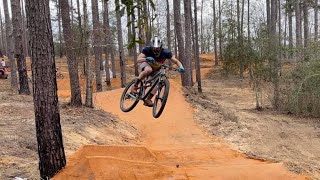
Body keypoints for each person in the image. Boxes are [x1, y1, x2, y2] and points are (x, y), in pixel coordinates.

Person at [132, 36, 185, 107]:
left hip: (156, 69)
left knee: (159, 82)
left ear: (161, 46)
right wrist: (146, 58)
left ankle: (148, 99)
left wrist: (181, 67)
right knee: (148, 69)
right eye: (154, 48)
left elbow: (176, 61)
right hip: (146, 65)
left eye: (157, 48)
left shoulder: (166, 52)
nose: (156, 49)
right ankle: (135, 86)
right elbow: (138, 59)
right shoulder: (147, 49)